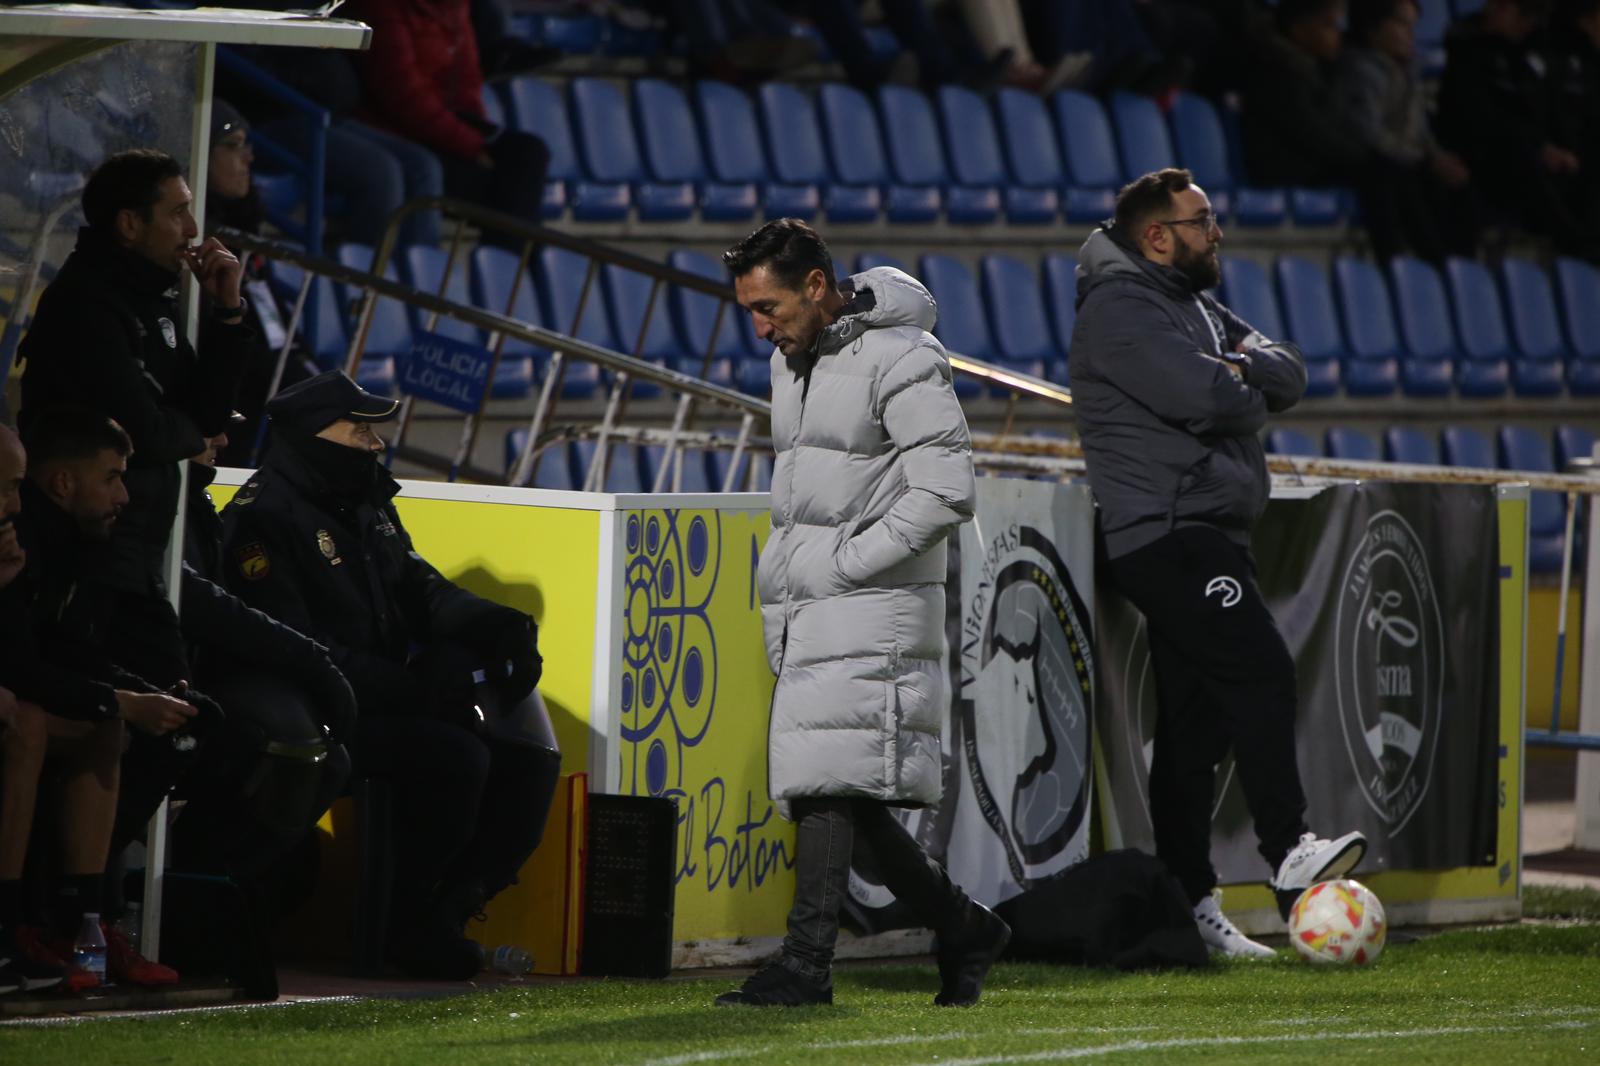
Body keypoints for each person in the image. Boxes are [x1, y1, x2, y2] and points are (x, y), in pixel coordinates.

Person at [1067, 168, 1367, 958]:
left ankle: (1188, 901)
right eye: (1201, 222)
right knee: (1261, 667)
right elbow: (1215, 400)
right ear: (1156, 236)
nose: (1216, 233)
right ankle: (1288, 850)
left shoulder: (1189, 300)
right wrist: (1240, 378)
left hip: (1208, 528)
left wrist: (1242, 374)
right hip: (1167, 532)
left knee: (1194, 731)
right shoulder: (1121, 308)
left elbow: (1286, 371)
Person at [714, 219, 1007, 1008]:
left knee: (824, 788)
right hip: (814, 603)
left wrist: (843, 564)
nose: (759, 326)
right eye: (749, 309)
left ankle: (807, 964)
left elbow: (945, 491)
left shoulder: (903, 358)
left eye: (768, 306)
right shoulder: (792, 360)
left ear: (816, 286)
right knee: (840, 793)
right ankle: (964, 926)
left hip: (866, 603)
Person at [218, 372, 561, 980]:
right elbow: (300, 651)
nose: (376, 445)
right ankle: (405, 918)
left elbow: (419, 587)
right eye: (361, 431)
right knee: (454, 753)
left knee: (524, 746)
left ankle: (450, 908)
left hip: (380, 695)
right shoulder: (263, 520)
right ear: (314, 437)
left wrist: (498, 624)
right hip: (313, 711)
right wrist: (421, 694)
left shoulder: (365, 500)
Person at [17, 148, 250, 695]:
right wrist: (188, 438)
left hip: (146, 547)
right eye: (177, 214)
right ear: (128, 224)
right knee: (167, 717)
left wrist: (229, 313)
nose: (193, 231)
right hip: (93, 554)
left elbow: (205, 413)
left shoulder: (149, 298)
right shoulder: (87, 303)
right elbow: (144, 430)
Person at [0, 416, 196, 992]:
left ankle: (80, 924)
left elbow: (53, 650)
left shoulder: (70, 544)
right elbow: (19, 667)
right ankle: (9, 931)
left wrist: (127, 696)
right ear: (63, 483)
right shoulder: (29, 538)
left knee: (106, 727)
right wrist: (120, 700)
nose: (125, 495)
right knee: (29, 722)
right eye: (112, 478)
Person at [168, 426, 355, 904]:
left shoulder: (193, 498)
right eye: (364, 430)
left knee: (325, 758)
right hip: (165, 683)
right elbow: (206, 603)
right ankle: (192, 896)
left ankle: (219, 897)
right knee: (281, 747)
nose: (224, 438)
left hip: (203, 676)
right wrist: (315, 663)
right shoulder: (179, 501)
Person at [347, 0, 551, 241]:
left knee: (529, 154)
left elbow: (467, 78)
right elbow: (406, 99)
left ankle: (509, 266)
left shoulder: (454, 6)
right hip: (393, 126)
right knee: (509, 193)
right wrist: (471, 146)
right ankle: (506, 266)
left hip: (441, 124)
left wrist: (476, 130)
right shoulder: (381, 9)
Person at [204, 100, 317, 468]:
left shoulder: (245, 224)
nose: (248, 158)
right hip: (238, 396)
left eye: (247, 146)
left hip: (270, 377)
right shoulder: (201, 239)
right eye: (234, 146)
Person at [1438, 0, 1600, 255]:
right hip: (1482, 152)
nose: (1525, 26)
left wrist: (1548, 146)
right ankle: (1575, 242)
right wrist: (1539, 147)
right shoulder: (1467, 51)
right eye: (1520, 16)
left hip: (1523, 148)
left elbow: (1528, 112)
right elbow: (1481, 117)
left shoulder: (1520, 55)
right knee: (1521, 152)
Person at [1335, 0, 1480, 261]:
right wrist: (1421, 159)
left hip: (1409, 159)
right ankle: (1423, 264)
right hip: (1382, 163)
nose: (1410, 34)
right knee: (1400, 178)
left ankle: (1460, 267)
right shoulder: (1360, 70)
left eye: (1413, 26)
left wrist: (1436, 156)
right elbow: (1369, 134)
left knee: (1460, 183)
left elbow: (1419, 128)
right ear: (1374, 28)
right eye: (1402, 24)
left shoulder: (1406, 69)